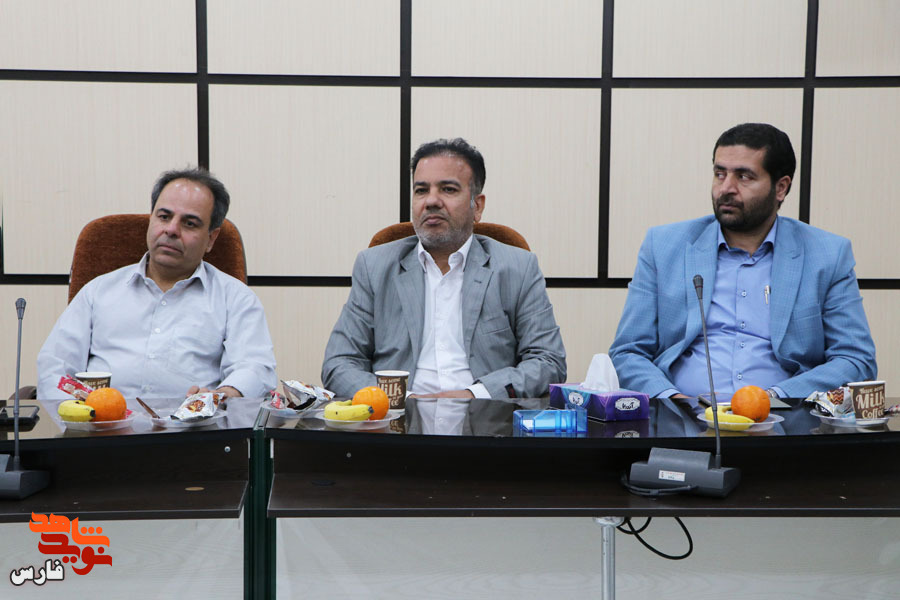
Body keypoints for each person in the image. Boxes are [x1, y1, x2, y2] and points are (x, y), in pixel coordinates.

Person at [609, 123, 876, 400]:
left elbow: (856, 359)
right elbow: (628, 352)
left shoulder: (827, 255)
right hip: (682, 417)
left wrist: (774, 398)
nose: (726, 188)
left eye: (744, 177)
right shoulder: (664, 247)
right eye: (719, 174)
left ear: (781, 187)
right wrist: (673, 401)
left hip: (785, 418)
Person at [322, 138, 566, 400]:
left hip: (486, 418)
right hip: (399, 418)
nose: (431, 201)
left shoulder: (517, 268)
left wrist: (474, 395)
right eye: (421, 190)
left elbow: (548, 361)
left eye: (448, 189)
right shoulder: (374, 267)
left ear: (477, 206)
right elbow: (339, 364)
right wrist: (404, 400)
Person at [37, 167, 277, 400]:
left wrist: (222, 396)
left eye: (189, 223)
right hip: (100, 423)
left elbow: (254, 368)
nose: (171, 230)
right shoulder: (97, 291)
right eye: (164, 217)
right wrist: (75, 413)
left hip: (194, 425)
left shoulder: (235, 299)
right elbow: (55, 366)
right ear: (151, 219)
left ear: (211, 239)